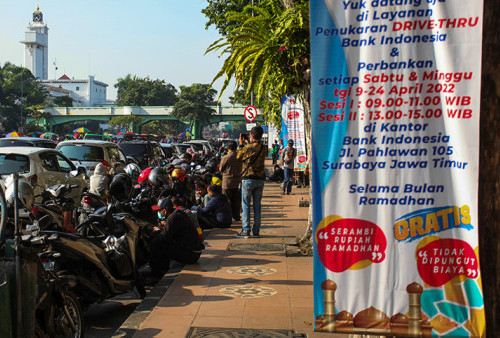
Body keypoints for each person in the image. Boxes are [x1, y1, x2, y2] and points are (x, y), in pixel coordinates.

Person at [149, 197, 204, 278]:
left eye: (159, 210)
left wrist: (157, 230)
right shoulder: (178, 214)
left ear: (165, 210)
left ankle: (159, 274)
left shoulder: (173, 217)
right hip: (194, 253)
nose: (158, 212)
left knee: (157, 244)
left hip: (191, 255)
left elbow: (164, 237)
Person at [236, 126, 266, 238]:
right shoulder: (263, 147)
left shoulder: (247, 147)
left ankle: (246, 231)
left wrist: (241, 144)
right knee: (257, 206)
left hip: (248, 179)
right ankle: (256, 230)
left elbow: (239, 157)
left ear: (251, 135)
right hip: (259, 179)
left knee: (246, 205)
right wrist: (249, 142)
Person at [219, 140, 242, 221]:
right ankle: (236, 216)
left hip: (227, 182)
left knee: (227, 200)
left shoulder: (226, 157)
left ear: (228, 148)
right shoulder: (240, 156)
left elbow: (221, 169)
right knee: (237, 201)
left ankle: (228, 217)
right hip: (238, 181)